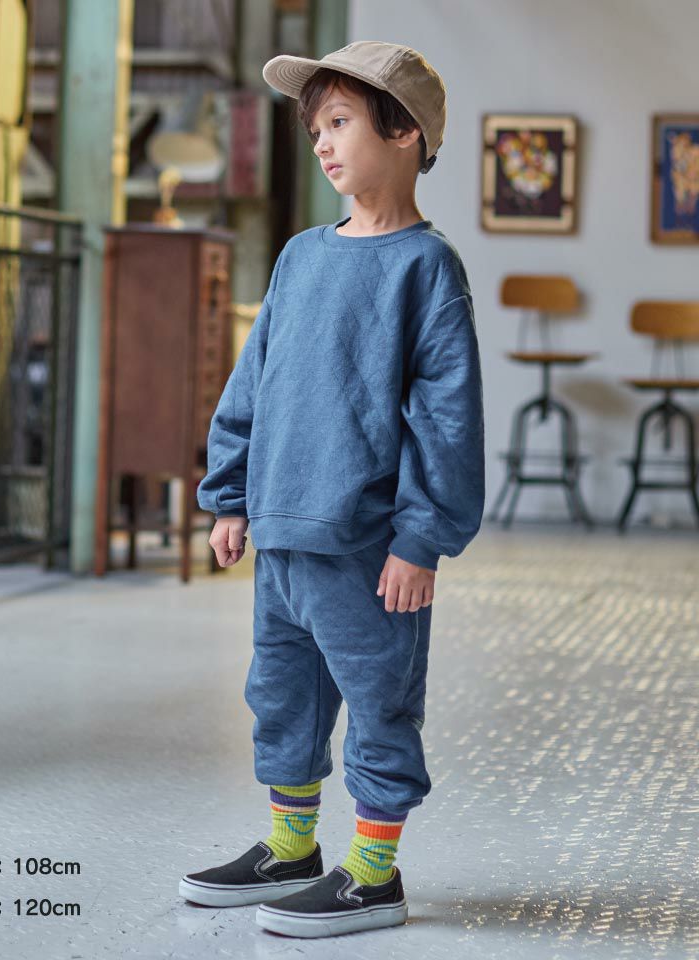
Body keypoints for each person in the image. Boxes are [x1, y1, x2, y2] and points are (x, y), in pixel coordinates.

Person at [179, 39, 485, 939]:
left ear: (405, 132)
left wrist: (420, 539)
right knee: (282, 698)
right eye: (316, 127)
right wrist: (229, 493)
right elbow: (254, 381)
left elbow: (447, 419)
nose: (321, 142)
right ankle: (291, 848)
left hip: (366, 547)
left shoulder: (426, 269)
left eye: (341, 122)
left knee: (380, 701)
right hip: (280, 534)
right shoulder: (299, 257)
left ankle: (374, 875)